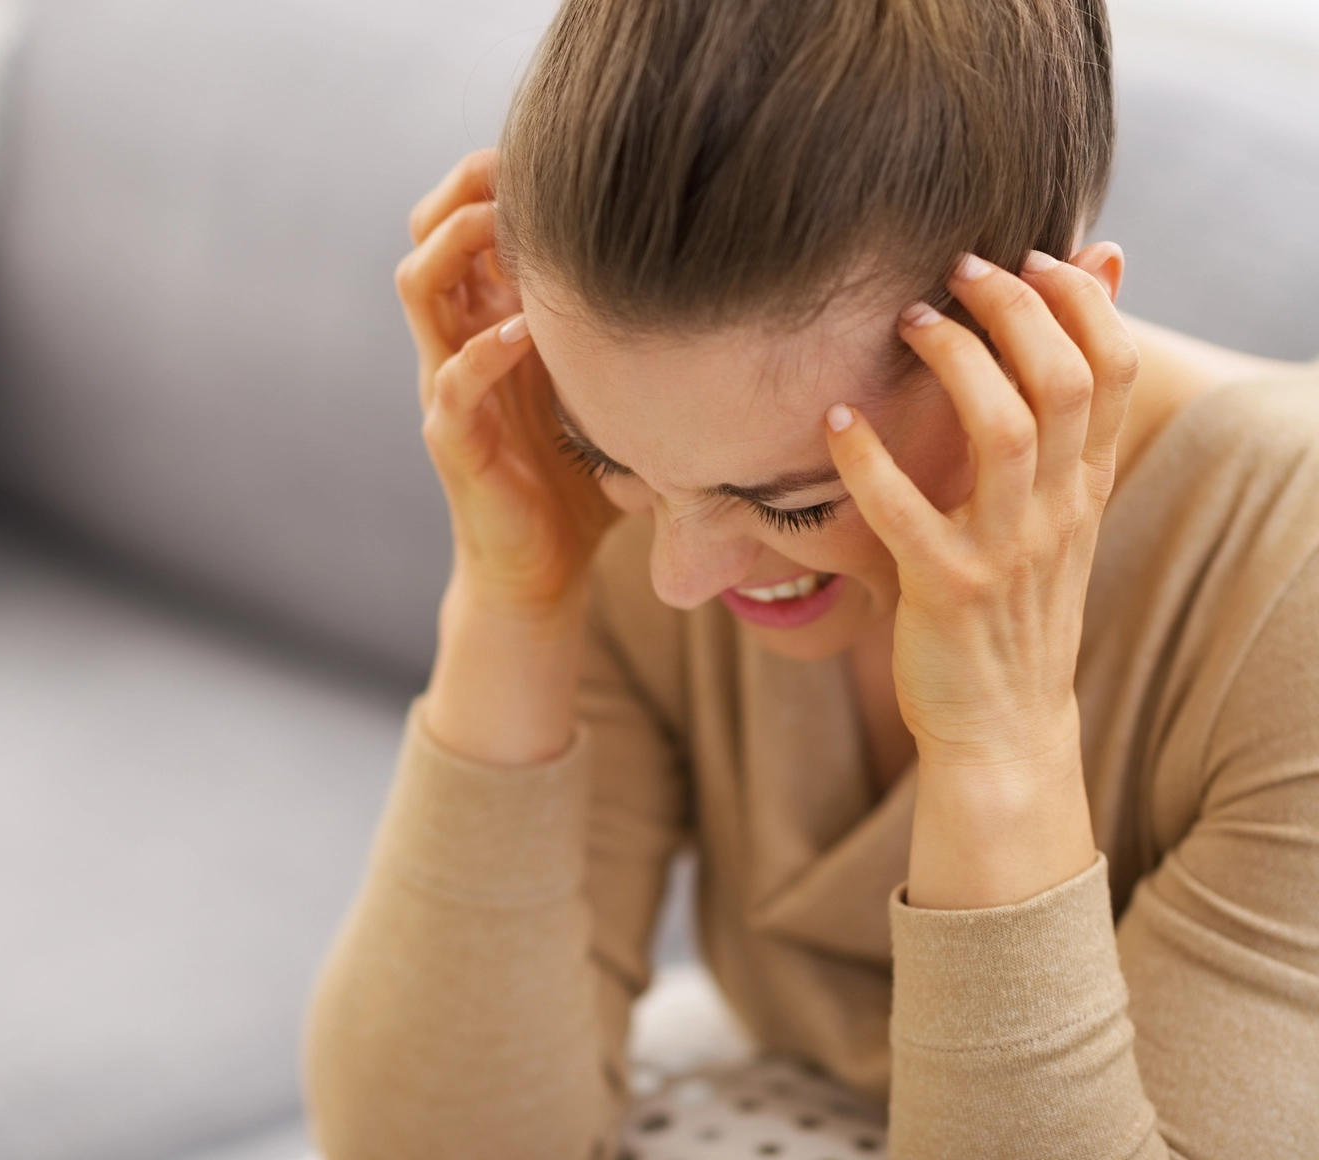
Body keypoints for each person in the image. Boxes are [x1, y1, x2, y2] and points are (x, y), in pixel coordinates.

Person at [305, 0, 1319, 1155]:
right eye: (611, 456)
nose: (679, 573)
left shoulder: (1290, 582)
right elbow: (425, 1141)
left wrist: (998, 736)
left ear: (1053, 346)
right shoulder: (672, 472)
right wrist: (511, 597)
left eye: (792, 500)